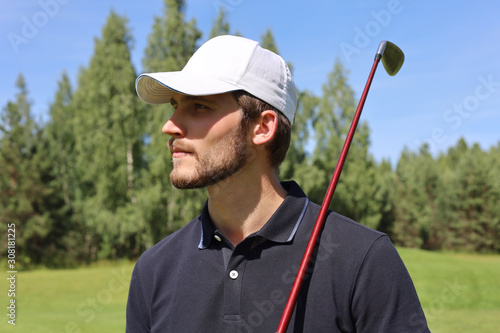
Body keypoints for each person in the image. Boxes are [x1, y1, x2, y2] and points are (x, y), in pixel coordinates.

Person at [126, 35, 430, 332]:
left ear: (263, 127)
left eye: (199, 107)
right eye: (174, 106)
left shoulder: (365, 259)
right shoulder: (153, 270)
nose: (169, 126)